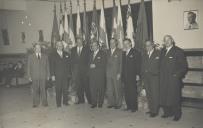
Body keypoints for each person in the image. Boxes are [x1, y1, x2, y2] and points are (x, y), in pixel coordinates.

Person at [160, 35, 188, 121]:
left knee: (175, 97)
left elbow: (184, 67)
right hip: (164, 79)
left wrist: (176, 76)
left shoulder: (178, 51)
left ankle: (177, 114)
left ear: (172, 40)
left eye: (168, 39)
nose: (167, 41)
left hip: (173, 80)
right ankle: (167, 113)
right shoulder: (162, 51)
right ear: (163, 42)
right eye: (165, 40)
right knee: (165, 96)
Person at [141, 40, 160, 117]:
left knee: (155, 94)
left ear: (153, 45)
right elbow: (142, 66)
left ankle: (155, 111)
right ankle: (151, 109)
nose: (147, 47)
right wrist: (142, 76)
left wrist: (156, 73)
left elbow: (161, 66)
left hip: (155, 77)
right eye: (146, 45)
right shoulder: (144, 55)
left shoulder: (158, 53)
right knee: (149, 94)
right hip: (146, 77)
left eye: (149, 45)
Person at [27, 43, 50, 108]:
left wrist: (48, 75)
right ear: (34, 49)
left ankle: (44, 102)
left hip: (43, 76)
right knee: (35, 90)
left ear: (41, 49)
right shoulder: (31, 56)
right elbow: (28, 67)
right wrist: (29, 76)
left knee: (43, 89)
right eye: (37, 48)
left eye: (39, 48)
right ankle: (35, 103)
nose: (38, 49)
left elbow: (47, 66)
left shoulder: (45, 56)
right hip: (34, 76)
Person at [122, 38, 141, 112]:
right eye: (124, 44)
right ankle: (129, 106)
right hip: (125, 76)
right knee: (126, 92)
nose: (125, 45)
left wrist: (137, 74)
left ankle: (134, 107)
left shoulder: (136, 52)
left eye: (127, 43)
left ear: (130, 43)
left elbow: (138, 64)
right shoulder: (123, 53)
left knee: (132, 92)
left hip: (132, 76)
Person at [50, 41, 71, 107]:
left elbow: (69, 65)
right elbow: (51, 66)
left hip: (65, 75)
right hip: (57, 75)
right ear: (56, 46)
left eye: (61, 45)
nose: (60, 46)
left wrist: (69, 73)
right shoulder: (52, 55)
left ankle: (65, 102)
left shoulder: (66, 54)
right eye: (58, 45)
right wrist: (52, 75)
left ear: (63, 46)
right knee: (58, 89)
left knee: (65, 89)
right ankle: (58, 103)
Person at [71, 36, 91, 104]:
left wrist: (88, 71)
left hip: (85, 72)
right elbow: (72, 61)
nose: (79, 43)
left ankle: (90, 100)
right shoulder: (73, 49)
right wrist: (73, 71)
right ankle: (81, 100)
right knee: (78, 87)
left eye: (80, 42)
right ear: (76, 42)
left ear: (82, 42)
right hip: (76, 72)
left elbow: (89, 61)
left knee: (86, 86)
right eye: (78, 42)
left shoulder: (87, 49)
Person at [89, 40, 107, 108]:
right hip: (92, 75)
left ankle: (100, 103)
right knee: (93, 89)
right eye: (92, 46)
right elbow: (88, 64)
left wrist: (96, 65)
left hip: (100, 75)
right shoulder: (91, 54)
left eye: (95, 45)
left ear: (98, 46)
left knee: (101, 89)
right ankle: (94, 103)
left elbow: (104, 64)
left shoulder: (103, 53)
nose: (93, 47)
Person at [106, 38, 123, 109]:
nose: (111, 44)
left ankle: (118, 104)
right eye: (110, 43)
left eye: (113, 43)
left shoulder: (119, 51)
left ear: (116, 43)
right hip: (108, 73)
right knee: (109, 90)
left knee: (117, 89)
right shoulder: (107, 51)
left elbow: (121, 63)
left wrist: (119, 73)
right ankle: (111, 103)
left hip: (116, 73)